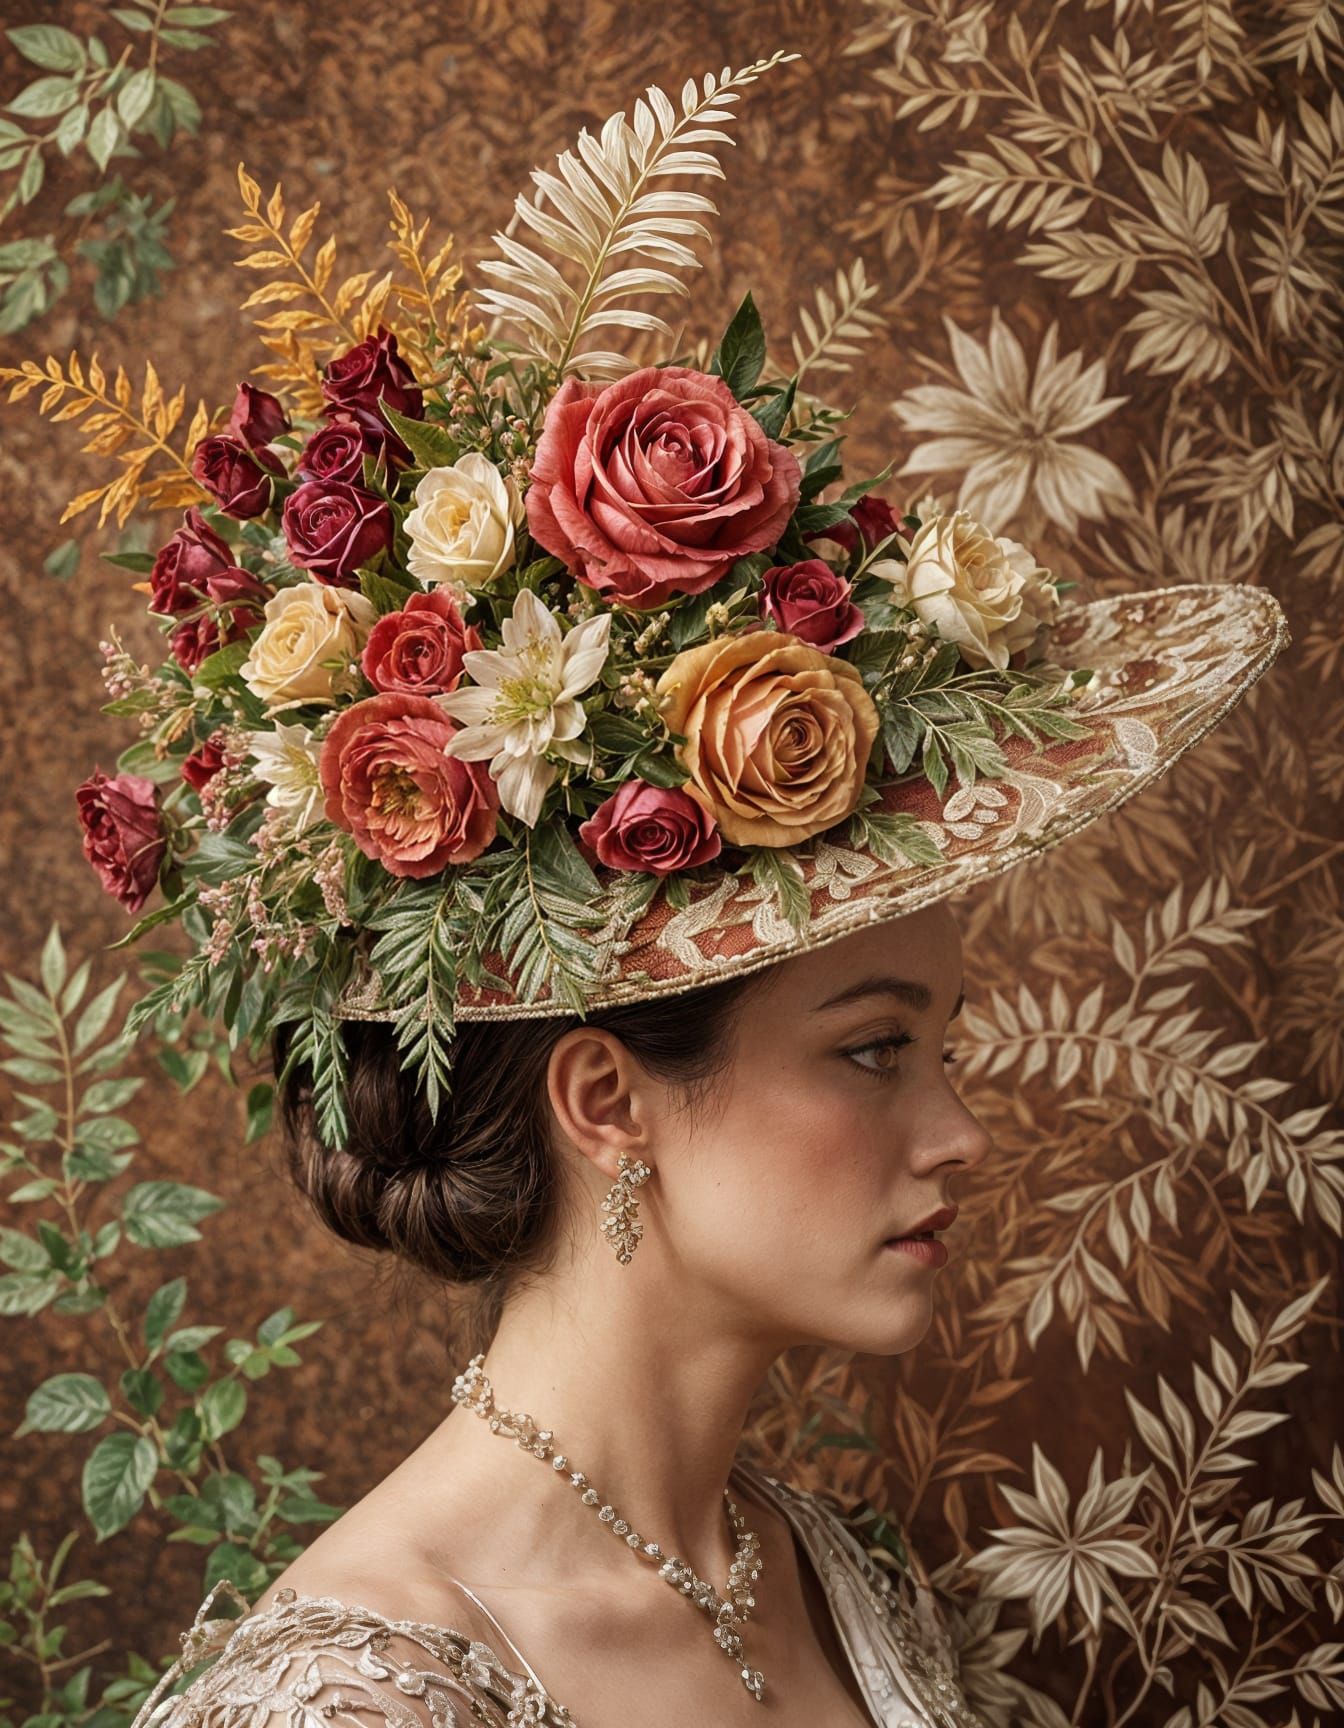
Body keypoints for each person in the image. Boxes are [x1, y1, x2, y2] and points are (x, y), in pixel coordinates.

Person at [58, 51, 1287, 1728]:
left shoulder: (822, 1571)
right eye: (874, 1049)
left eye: (933, 1047)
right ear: (603, 1097)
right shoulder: (357, 1700)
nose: (962, 1134)